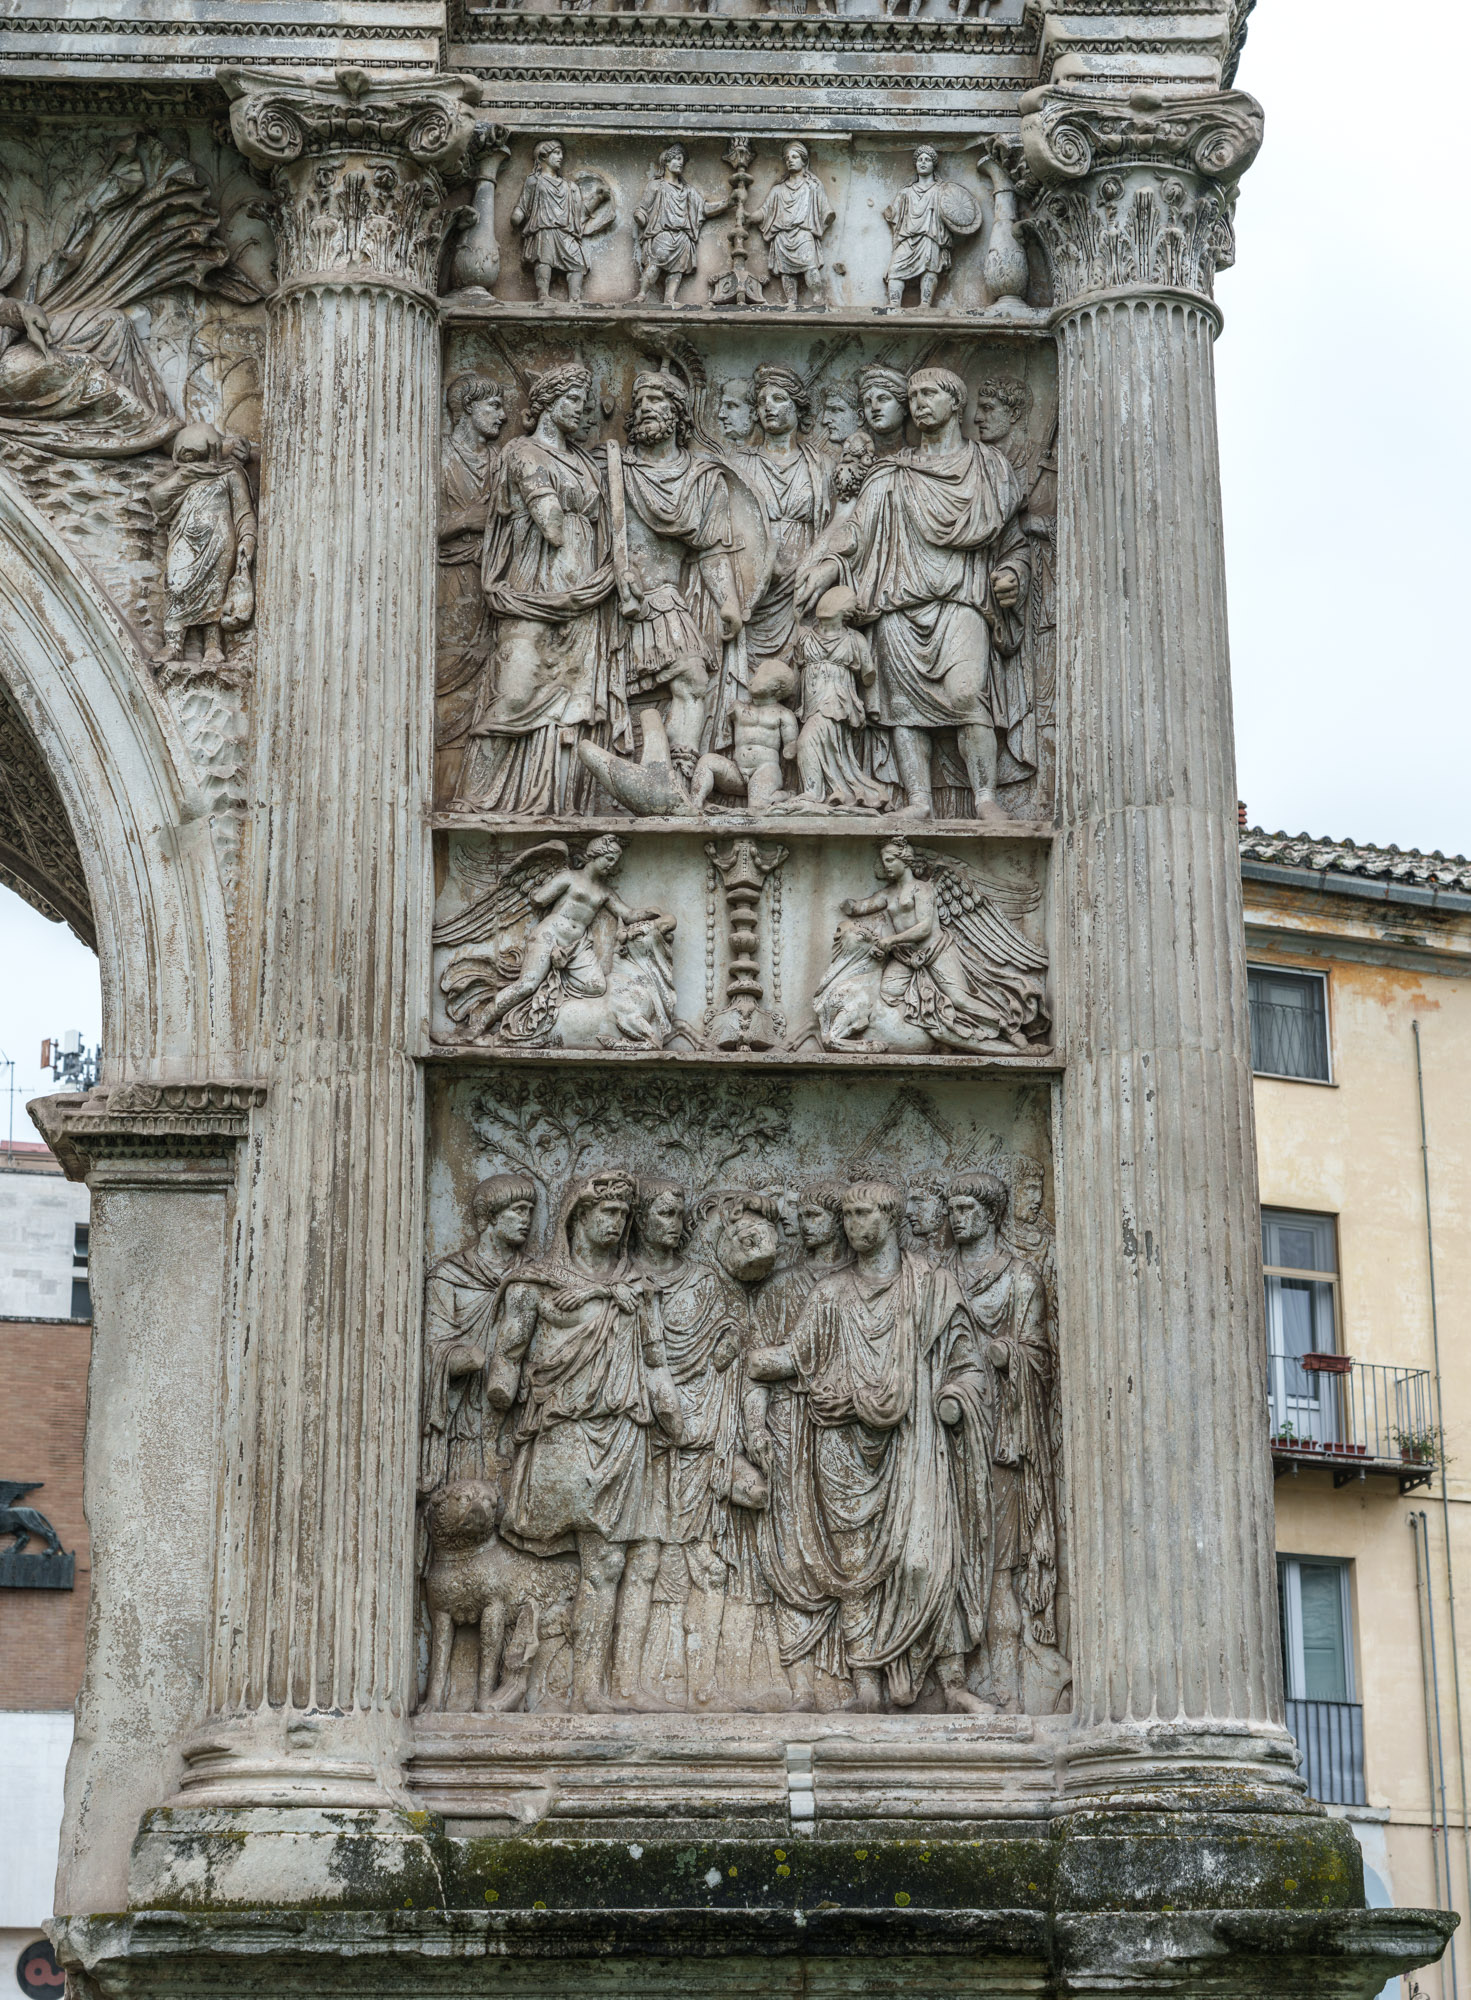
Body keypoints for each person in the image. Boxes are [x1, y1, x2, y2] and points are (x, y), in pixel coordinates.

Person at [745, 1182, 991, 1712]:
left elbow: (968, 1364)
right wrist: (750, 1357)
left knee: (927, 1559)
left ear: (892, 1217)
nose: (853, 1225)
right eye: (849, 1216)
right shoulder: (831, 1294)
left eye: (864, 1214)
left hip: (915, 1441)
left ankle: (952, 1685)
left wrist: (953, 1398)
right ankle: (865, 1687)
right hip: (842, 1447)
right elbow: (795, 1356)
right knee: (854, 1570)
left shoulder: (933, 1286)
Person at [797, 366, 1029, 820]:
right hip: (899, 604)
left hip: (961, 599)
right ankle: (919, 800)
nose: (919, 403)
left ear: (955, 402)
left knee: (966, 694)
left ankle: (985, 798)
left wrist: (1012, 573)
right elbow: (856, 534)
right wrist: (827, 568)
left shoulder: (989, 467)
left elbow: (1013, 541)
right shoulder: (890, 473)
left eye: (929, 394)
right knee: (902, 708)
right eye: (914, 395)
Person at [492, 1172, 685, 1711]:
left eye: (623, 1214)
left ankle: (592, 1689)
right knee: (557, 1560)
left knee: (609, 1565)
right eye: (607, 1211)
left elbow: (655, 1362)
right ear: (578, 1215)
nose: (616, 1222)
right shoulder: (535, 1285)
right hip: (563, 1429)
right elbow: (507, 1356)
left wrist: (674, 1417)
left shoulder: (638, 1291)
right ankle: (529, 1679)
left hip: (624, 1432)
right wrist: (499, 1393)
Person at [457, 363, 619, 816]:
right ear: (547, 403)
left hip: (584, 597)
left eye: (585, 401)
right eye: (572, 399)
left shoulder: (584, 461)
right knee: (514, 695)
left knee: (572, 708)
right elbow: (551, 527)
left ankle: (557, 805)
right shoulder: (523, 453)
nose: (582, 409)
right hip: (532, 590)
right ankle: (475, 799)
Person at [629, 1180, 748, 1707]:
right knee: (650, 1562)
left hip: (702, 1426)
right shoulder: (627, 1282)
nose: (673, 1223)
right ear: (642, 1219)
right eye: (662, 1213)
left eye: (679, 1214)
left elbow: (733, 1328)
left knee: (705, 1559)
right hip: (645, 1436)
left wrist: (727, 1344)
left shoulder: (704, 1280)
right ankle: (647, 1676)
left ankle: (700, 1679)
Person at [944, 1172, 1060, 1709]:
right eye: (952, 1208)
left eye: (967, 1208)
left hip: (1000, 1443)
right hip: (944, 1441)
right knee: (945, 1562)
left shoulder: (1020, 1278)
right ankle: (953, 1682)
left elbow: (1041, 1358)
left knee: (998, 1574)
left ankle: (1008, 1690)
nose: (957, 1217)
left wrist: (1008, 1354)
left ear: (991, 1214)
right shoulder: (939, 1275)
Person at [612, 369, 745, 766]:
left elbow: (712, 551)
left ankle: (680, 769)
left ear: (678, 412)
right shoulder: (614, 469)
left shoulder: (702, 479)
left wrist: (728, 602)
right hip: (612, 603)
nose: (645, 408)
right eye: (639, 402)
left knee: (693, 678)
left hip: (666, 600)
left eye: (656, 400)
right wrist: (615, 572)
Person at [813, 836, 1049, 1055]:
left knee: (959, 999)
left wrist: (890, 941)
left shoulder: (922, 889)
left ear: (905, 860)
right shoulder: (888, 894)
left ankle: (1010, 1030)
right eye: (884, 861)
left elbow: (924, 928)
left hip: (936, 952)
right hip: (907, 957)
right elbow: (861, 907)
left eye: (890, 860)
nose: (886, 866)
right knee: (889, 991)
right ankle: (926, 1023)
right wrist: (841, 893)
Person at [725, 364, 835, 737]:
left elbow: (838, 529)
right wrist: (753, 570)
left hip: (803, 584)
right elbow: (727, 528)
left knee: (804, 669)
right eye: (761, 401)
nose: (768, 407)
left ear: (798, 407)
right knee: (753, 677)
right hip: (756, 589)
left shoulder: (822, 466)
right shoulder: (739, 464)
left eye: (778, 398)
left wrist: (820, 568)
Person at [421, 1174, 536, 1495]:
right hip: (466, 1414)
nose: (526, 1220)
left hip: (518, 1411)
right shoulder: (448, 1277)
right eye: (518, 1210)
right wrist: (464, 1357)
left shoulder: (533, 1277)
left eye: (530, 1211)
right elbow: (433, 1350)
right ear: (490, 1215)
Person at [438, 375, 508, 796]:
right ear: (467, 408)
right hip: (449, 586)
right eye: (494, 406)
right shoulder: (438, 458)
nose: (503, 415)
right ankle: (444, 786)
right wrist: (466, 520)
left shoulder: (501, 461)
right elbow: (407, 524)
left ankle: (475, 787)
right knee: (447, 684)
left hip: (494, 587)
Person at [147, 424, 257, 669]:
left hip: (219, 541)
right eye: (185, 454)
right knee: (176, 585)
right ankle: (173, 644)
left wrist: (247, 538)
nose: (191, 460)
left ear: (211, 449)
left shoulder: (229, 473)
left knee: (215, 592)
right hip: (184, 540)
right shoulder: (183, 477)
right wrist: (187, 474)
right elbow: (157, 498)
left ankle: (213, 645)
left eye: (196, 453)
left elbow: (244, 512)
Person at [790, 583, 888, 811]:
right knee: (829, 751)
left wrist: (869, 710)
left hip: (837, 702)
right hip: (812, 703)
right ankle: (836, 792)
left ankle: (812, 793)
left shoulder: (855, 639)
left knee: (806, 742)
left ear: (844, 611)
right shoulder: (804, 637)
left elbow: (868, 677)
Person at [691, 659, 798, 812]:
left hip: (765, 770)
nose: (752, 679)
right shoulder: (737, 707)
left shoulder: (784, 714)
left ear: (776, 686)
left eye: (760, 675)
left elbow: (791, 745)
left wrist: (792, 748)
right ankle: (695, 805)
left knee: (757, 806)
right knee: (707, 761)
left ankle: (787, 795)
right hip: (737, 771)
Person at [511, 140, 609, 305]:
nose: (561, 157)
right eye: (556, 153)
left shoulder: (569, 186)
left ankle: (574, 299)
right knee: (545, 259)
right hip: (544, 229)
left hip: (566, 232)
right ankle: (543, 295)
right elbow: (523, 203)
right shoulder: (534, 181)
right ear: (543, 156)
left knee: (578, 262)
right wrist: (517, 215)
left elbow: (580, 213)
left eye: (561, 153)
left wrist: (598, 197)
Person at [633, 145, 730, 307]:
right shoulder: (656, 185)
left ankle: (669, 299)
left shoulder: (688, 190)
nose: (680, 163)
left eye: (682, 161)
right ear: (666, 162)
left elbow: (704, 208)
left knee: (678, 269)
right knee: (657, 260)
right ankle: (641, 295)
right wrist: (640, 217)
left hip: (683, 236)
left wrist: (728, 203)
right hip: (663, 233)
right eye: (677, 159)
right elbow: (642, 207)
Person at [754, 141, 834, 310]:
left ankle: (818, 299)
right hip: (782, 236)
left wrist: (820, 226)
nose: (790, 160)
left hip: (803, 234)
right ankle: (791, 301)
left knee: (810, 266)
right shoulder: (777, 190)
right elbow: (763, 212)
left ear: (804, 161)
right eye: (787, 158)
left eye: (795, 157)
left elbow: (827, 212)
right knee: (786, 271)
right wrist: (748, 217)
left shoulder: (813, 186)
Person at [884, 145, 958, 310]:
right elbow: (894, 214)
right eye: (920, 160)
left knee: (930, 268)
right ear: (915, 164)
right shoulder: (906, 191)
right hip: (907, 236)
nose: (923, 162)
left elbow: (952, 212)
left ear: (933, 164)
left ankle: (925, 303)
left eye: (927, 159)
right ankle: (894, 303)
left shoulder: (941, 190)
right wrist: (890, 213)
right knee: (894, 269)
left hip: (931, 236)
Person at [857, 364, 909, 456]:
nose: (874, 408)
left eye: (883, 399)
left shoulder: (919, 458)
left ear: (905, 407)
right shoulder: (854, 459)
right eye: (868, 402)